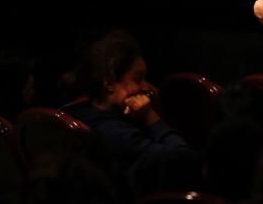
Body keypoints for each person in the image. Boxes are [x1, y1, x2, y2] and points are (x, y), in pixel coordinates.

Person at [67, 30, 199, 198]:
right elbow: (185, 160)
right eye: (138, 79)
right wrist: (151, 117)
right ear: (109, 83)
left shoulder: (76, 112)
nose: (146, 87)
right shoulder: (119, 134)